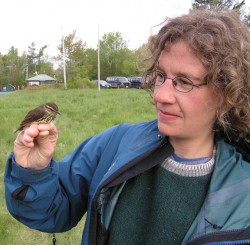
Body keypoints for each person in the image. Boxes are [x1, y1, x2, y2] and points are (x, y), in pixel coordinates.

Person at [4, 9, 250, 245]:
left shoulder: (243, 191)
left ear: (226, 92)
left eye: (184, 81)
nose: (160, 95)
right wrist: (33, 172)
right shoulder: (115, 144)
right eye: (161, 76)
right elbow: (53, 210)